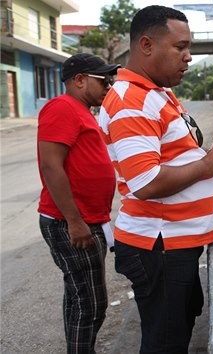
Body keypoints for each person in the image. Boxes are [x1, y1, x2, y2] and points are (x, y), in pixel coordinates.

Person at [97, 5, 213, 353]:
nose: (189, 57)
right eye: (180, 47)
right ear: (147, 45)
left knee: (181, 323)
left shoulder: (156, 92)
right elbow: (146, 183)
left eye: (190, 48)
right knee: (165, 341)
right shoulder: (131, 101)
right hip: (158, 245)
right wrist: (209, 166)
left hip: (177, 241)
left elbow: (177, 152)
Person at [37, 53, 120, 353]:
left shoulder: (83, 110)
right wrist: (74, 219)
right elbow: (51, 166)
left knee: (78, 297)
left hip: (87, 219)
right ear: (79, 80)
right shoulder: (62, 107)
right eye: (103, 80)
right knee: (91, 304)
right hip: (70, 222)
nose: (109, 86)